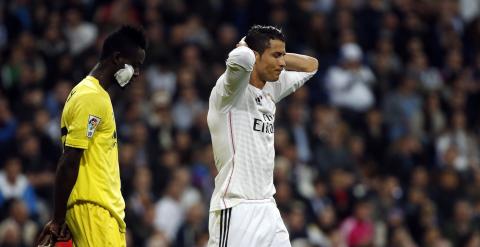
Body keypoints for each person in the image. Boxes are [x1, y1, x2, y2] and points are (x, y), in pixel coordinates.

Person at [35, 25, 147, 247]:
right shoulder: (91, 97)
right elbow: (69, 160)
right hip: (94, 211)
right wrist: (57, 219)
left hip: (98, 212)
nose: (137, 74)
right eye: (135, 65)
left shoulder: (91, 95)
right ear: (117, 58)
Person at [207, 25, 318, 246]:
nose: (283, 63)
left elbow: (310, 66)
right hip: (237, 208)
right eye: (276, 55)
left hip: (268, 207)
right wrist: (245, 46)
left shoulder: (271, 89)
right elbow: (240, 59)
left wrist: (277, 53)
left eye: (283, 55)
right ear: (255, 56)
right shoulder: (229, 91)